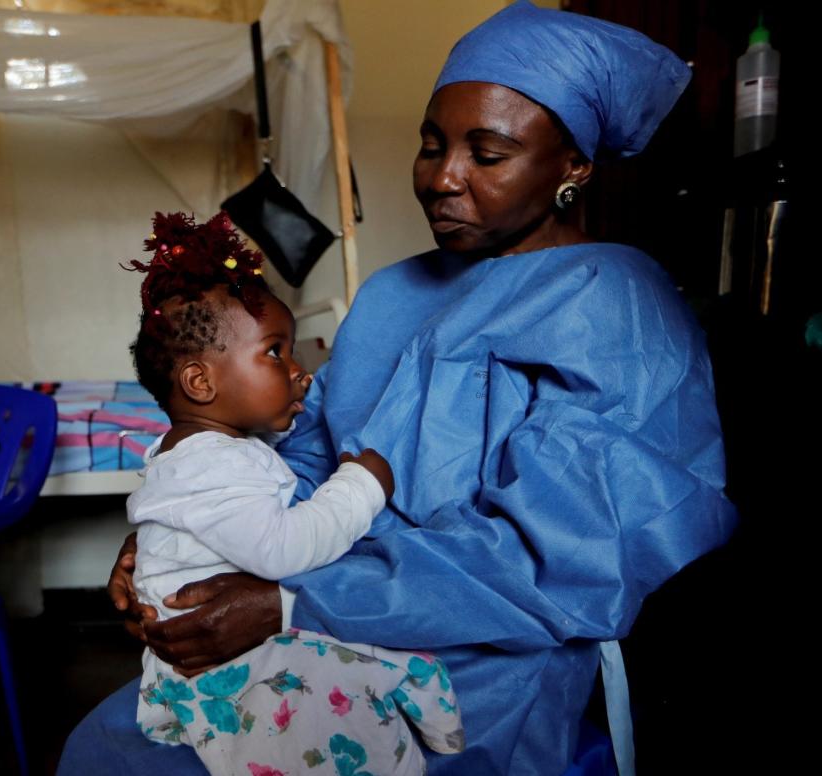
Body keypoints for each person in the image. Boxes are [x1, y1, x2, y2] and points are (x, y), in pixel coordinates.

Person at [61, 3, 738, 773]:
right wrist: (187, 535)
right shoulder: (392, 294)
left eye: (487, 153)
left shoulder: (613, 307)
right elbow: (300, 469)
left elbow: (562, 559)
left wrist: (293, 604)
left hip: (480, 650)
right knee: (106, 748)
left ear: (572, 167)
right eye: (430, 144)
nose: (442, 178)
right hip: (305, 611)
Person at [122, 211, 463, 775]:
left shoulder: (193, 454)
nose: (301, 372)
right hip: (229, 665)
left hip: (203, 656)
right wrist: (361, 483)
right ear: (201, 383)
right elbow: (284, 548)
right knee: (343, 720)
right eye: (276, 352)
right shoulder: (215, 463)